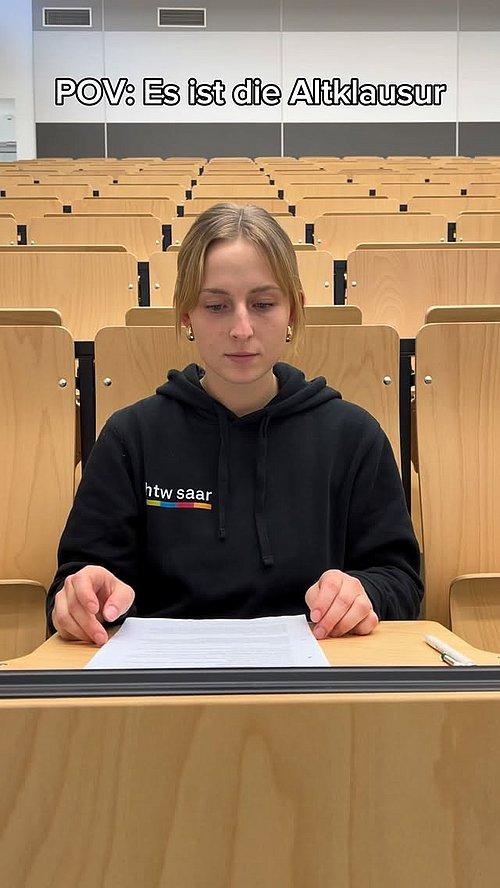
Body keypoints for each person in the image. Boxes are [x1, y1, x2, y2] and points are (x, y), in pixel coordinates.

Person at [47, 203, 423, 646]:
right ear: (186, 315)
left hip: (317, 671)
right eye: (217, 306)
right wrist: (82, 597)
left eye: (263, 304)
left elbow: (400, 580)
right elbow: (74, 582)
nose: (242, 329)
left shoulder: (354, 436)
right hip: (165, 676)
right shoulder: (130, 437)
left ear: (293, 312)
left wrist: (364, 593)